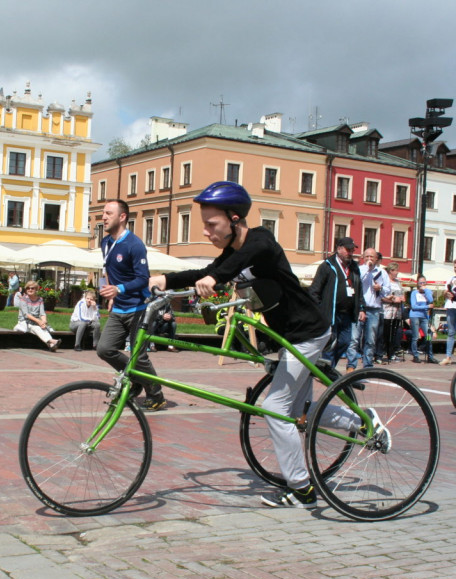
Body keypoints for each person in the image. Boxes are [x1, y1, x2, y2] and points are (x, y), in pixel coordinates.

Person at [148, 181, 366, 509]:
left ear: (235, 219)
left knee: (276, 409)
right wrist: (164, 280)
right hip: (287, 339)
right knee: (297, 412)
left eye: (212, 224)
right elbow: (210, 270)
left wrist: (216, 279)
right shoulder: (232, 254)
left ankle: (302, 489)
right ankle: (361, 422)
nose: (206, 231)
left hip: (307, 333)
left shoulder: (261, 240)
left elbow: (230, 266)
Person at [97, 199, 166, 410]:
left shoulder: (134, 245)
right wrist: (111, 295)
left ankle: (156, 394)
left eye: (109, 213)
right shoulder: (106, 243)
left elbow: (142, 278)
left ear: (122, 216)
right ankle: (136, 380)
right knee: (104, 348)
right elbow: (109, 271)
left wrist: (119, 289)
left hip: (139, 308)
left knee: (139, 356)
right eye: (103, 213)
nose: (104, 217)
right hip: (118, 308)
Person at [309, 236, 362, 370]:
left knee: (345, 342)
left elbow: (359, 289)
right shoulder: (327, 266)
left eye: (352, 250)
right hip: (331, 313)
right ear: (338, 249)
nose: (350, 252)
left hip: (347, 314)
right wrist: (319, 309)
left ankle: (329, 367)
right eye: (347, 249)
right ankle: (326, 369)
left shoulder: (354, 267)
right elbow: (314, 290)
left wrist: (361, 308)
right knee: (330, 343)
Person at [356, 247, 388, 368]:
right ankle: (351, 365)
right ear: (363, 258)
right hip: (360, 308)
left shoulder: (382, 273)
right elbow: (356, 283)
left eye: (372, 257)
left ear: (376, 259)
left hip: (374, 309)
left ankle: (368, 365)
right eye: (367, 257)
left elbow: (387, 291)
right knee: (355, 338)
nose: (369, 259)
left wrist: (380, 288)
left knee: (371, 339)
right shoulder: (359, 270)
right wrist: (367, 270)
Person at [14, 280, 59, 351]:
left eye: (32, 288)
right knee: (35, 327)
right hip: (25, 321)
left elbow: (42, 313)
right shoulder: (23, 299)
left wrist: (44, 321)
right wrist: (39, 321)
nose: (30, 290)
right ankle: (51, 341)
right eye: (28, 288)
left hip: (36, 321)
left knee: (43, 327)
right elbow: (26, 315)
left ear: (36, 289)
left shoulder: (40, 299)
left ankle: (51, 345)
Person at [440, 259, 456, 365]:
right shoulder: (450, 279)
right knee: (451, 332)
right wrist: (447, 294)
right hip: (450, 306)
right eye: (455, 267)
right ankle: (448, 356)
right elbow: (445, 291)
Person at [380, 262, 405, 363]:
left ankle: (392, 352)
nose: (397, 272)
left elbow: (402, 293)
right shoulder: (386, 282)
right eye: (396, 270)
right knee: (386, 332)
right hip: (388, 310)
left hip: (397, 311)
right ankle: (386, 352)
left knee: (394, 332)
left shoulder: (398, 282)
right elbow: (383, 296)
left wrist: (402, 298)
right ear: (391, 271)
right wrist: (393, 299)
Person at [408, 276, 435, 363]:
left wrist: (426, 291)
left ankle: (430, 356)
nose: (422, 284)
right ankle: (415, 355)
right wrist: (426, 306)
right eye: (420, 283)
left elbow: (431, 300)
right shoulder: (414, 293)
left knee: (428, 336)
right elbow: (414, 306)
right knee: (415, 336)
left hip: (424, 316)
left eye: (424, 282)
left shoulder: (428, 292)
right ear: (417, 284)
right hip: (415, 315)